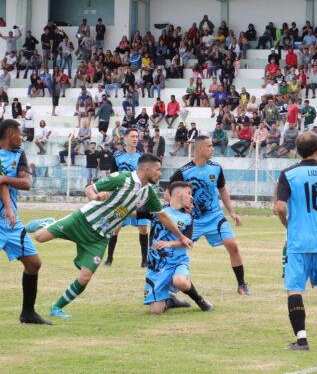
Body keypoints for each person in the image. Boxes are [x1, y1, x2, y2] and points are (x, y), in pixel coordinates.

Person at [28, 153, 193, 318]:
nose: (160, 173)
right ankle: (47, 222)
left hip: (100, 237)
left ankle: (56, 308)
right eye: (158, 170)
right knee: (39, 237)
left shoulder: (148, 193)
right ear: (147, 169)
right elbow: (89, 188)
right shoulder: (122, 178)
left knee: (85, 277)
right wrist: (95, 196)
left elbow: (163, 216)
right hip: (83, 221)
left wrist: (181, 236)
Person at [274, 131, 317, 350]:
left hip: (298, 241)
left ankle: (302, 339)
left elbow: (280, 206)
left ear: (297, 150)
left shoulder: (288, 174)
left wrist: (286, 222)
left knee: (294, 289)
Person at [169, 136, 250, 294]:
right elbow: (168, 194)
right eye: (209, 146)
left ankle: (241, 285)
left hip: (215, 217)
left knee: (233, 246)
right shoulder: (183, 172)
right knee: (176, 250)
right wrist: (183, 207)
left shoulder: (216, 168)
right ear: (200, 149)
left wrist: (232, 213)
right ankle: (170, 285)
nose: (212, 149)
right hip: (194, 220)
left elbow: (222, 189)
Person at [0, 119, 51, 324]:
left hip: (9, 221)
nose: (23, 138)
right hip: (8, 215)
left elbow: (26, 183)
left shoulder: (18, 154)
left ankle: (28, 313)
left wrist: (4, 179)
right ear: (11, 133)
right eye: (20, 134)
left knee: (33, 263)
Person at [142, 181, 213, 314]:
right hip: (157, 266)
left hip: (177, 261)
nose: (192, 197)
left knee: (179, 280)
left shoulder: (188, 217)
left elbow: (188, 242)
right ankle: (171, 301)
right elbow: (135, 213)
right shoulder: (158, 211)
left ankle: (200, 301)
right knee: (155, 311)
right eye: (189, 193)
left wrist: (169, 243)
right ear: (177, 193)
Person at [103, 129, 149, 267]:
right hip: (121, 197)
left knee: (143, 228)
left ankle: (144, 261)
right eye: (133, 136)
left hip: (139, 196)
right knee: (116, 228)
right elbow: (113, 177)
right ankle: (109, 259)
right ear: (125, 138)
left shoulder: (143, 156)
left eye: (137, 136)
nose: (136, 139)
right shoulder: (117, 156)